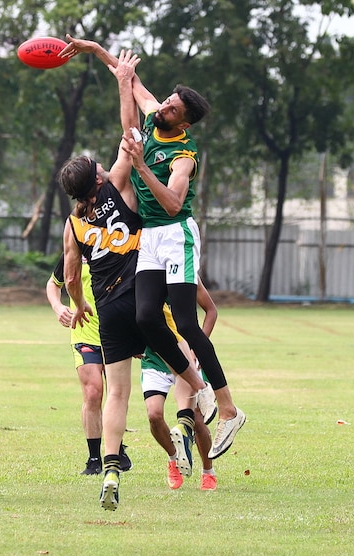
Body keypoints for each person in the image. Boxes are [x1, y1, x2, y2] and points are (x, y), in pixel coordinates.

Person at [60, 36, 245, 460]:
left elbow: (174, 203)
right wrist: (98, 54)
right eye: (164, 102)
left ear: (185, 122)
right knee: (146, 317)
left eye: (173, 109)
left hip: (176, 232)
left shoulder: (183, 156)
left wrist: (142, 165)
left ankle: (229, 407)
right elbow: (130, 82)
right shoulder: (152, 114)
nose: (162, 107)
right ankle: (199, 390)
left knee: (185, 319)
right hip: (151, 240)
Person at [60, 50, 207, 511]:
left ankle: (109, 468)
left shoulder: (74, 222)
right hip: (144, 299)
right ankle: (208, 405)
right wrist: (123, 82)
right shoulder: (117, 188)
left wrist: (79, 303)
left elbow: (68, 277)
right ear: (98, 177)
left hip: (106, 312)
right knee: (184, 361)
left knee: (116, 394)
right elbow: (130, 135)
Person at [46, 255, 132, 475]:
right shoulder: (74, 253)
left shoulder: (118, 246)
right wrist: (58, 308)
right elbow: (53, 284)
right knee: (93, 392)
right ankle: (94, 458)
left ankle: (116, 447)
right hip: (84, 332)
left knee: (117, 393)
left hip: (116, 333)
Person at [142, 281, 219, 491]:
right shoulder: (141, 275)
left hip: (186, 358)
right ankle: (174, 458)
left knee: (197, 420)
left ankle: (208, 471)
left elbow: (211, 311)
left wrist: (198, 346)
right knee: (154, 415)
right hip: (155, 359)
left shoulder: (186, 272)